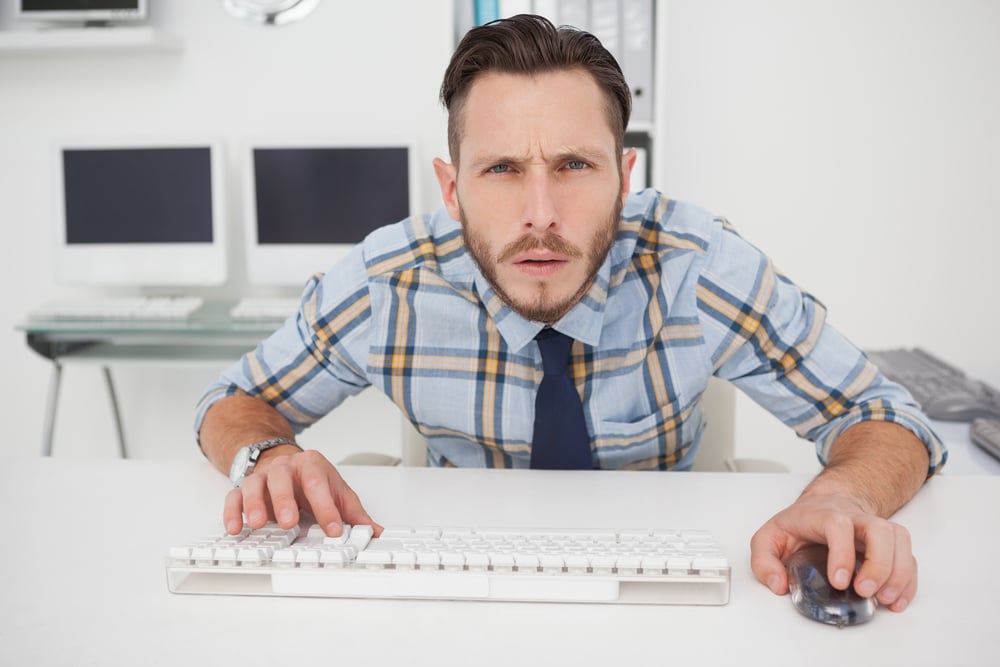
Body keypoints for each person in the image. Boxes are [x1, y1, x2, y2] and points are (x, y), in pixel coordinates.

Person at [195, 15, 945, 613]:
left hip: (664, 600)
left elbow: (885, 414)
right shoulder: (387, 281)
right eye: (502, 170)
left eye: (574, 165)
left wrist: (842, 494)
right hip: (455, 605)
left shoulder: (699, 262)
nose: (541, 215)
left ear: (624, 176)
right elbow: (230, 403)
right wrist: (269, 457)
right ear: (451, 190)